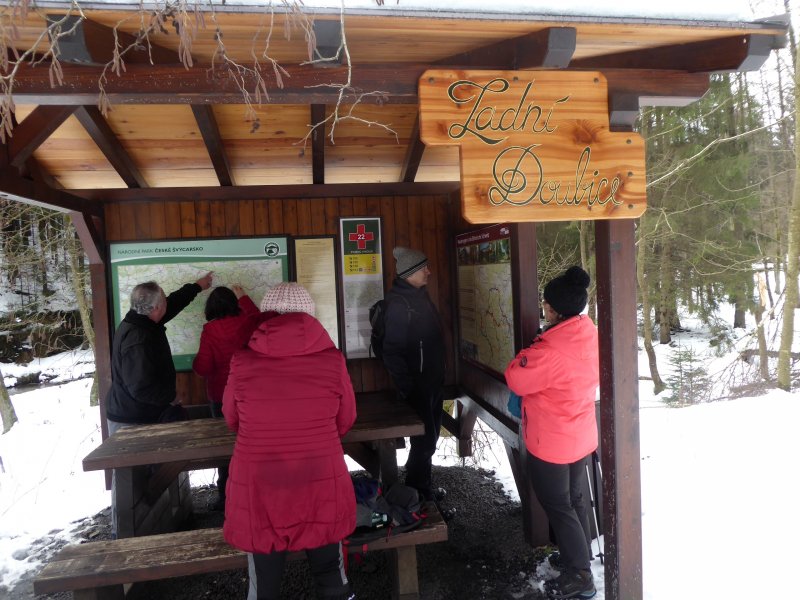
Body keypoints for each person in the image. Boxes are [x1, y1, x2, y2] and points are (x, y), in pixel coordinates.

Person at [222, 282, 356, 600]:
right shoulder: (332, 361)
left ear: (266, 316)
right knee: (330, 573)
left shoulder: (242, 362)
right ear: (309, 316)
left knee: (264, 584)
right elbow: (346, 419)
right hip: (321, 479)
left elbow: (231, 419)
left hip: (260, 487)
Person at [504, 266, 599, 600]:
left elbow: (516, 377)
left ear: (557, 310)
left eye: (546, 305)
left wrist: (528, 352)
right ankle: (579, 559)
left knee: (558, 504)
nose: (543, 308)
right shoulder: (587, 332)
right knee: (575, 500)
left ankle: (581, 576)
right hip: (579, 434)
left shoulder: (551, 350)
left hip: (552, 441)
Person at [105, 272, 213, 537]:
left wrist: (196, 287)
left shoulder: (144, 321)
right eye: (162, 301)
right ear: (155, 308)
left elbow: (172, 303)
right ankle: (132, 545)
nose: (166, 304)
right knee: (134, 486)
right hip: (131, 422)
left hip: (139, 415)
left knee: (151, 480)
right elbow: (140, 387)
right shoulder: (138, 339)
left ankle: (158, 529)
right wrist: (170, 397)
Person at [381, 247, 448, 506]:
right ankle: (417, 490)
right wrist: (410, 388)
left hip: (432, 382)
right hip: (419, 387)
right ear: (409, 273)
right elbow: (391, 352)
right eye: (424, 268)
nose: (428, 271)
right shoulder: (399, 304)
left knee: (428, 440)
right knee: (424, 442)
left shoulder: (419, 296)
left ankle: (421, 486)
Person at [192, 284, 264, 511]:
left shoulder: (211, 331)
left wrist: (194, 363)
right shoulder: (249, 323)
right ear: (234, 304)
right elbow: (259, 318)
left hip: (221, 397)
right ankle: (256, 493)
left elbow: (203, 367)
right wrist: (244, 296)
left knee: (225, 449)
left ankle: (226, 498)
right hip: (252, 395)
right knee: (254, 444)